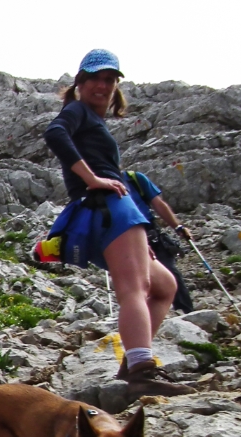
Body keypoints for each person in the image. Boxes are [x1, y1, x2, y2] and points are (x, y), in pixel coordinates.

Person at [43, 50, 195, 401]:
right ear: (80, 82)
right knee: (136, 287)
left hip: (115, 211)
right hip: (111, 209)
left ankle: (132, 362)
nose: (103, 85)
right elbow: (55, 134)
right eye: (95, 78)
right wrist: (93, 178)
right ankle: (142, 371)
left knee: (164, 285)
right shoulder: (76, 111)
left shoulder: (91, 119)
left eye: (110, 80)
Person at [123, 170, 194, 315]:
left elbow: (158, 204)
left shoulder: (135, 179)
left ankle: (185, 311)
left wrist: (178, 226)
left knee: (168, 271)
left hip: (146, 231)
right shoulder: (103, 186)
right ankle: (148, 316)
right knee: (143, 279)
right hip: (127, 235)